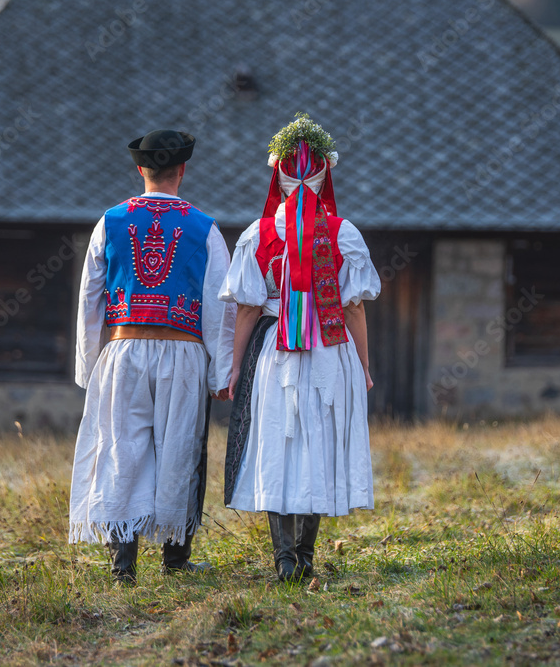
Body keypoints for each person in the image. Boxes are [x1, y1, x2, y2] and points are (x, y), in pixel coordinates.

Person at [69, 129, 235, 585]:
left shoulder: (110, 221)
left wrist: (89, 364)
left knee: (124, 449)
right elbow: (220, 303)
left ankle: (123, 564)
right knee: (180, 449)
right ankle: (175, 559)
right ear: (182, 170)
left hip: (123, 350)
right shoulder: (205, 228)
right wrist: (220, 372)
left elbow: (89, 298)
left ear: (140, 170)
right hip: (184, 352)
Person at [220, 114, 380, 582]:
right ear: (325, 172)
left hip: (278, 354)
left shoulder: (258, 234)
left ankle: (284, 559)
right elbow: (353, 309)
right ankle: (307, 556)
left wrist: (234, 369)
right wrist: (365, 366)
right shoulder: (345, 234)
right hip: (332, 349)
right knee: (320, 442)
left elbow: (248, 309)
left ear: (279, 174)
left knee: (279, 442)